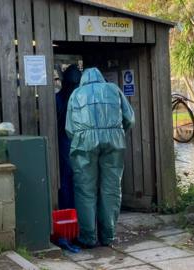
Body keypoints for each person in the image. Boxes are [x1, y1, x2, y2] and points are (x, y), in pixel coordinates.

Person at [66, 67, 135, 248]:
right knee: (111, 188)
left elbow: (69, 128)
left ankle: (88, 238)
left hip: (84, 142)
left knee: (85, 190)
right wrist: (117, 133)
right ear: (101, 77)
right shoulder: (113, 89)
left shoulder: (76, 94)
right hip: (113, 142)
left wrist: (82, 139)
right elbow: (130, 119)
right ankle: (108, 236)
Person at [56, 65, 82, 210]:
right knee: (82, 181)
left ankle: (67, 213)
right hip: (81, 142)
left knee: (65, 179)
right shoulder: (82, 99)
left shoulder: (58, 98)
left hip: (64, 142)